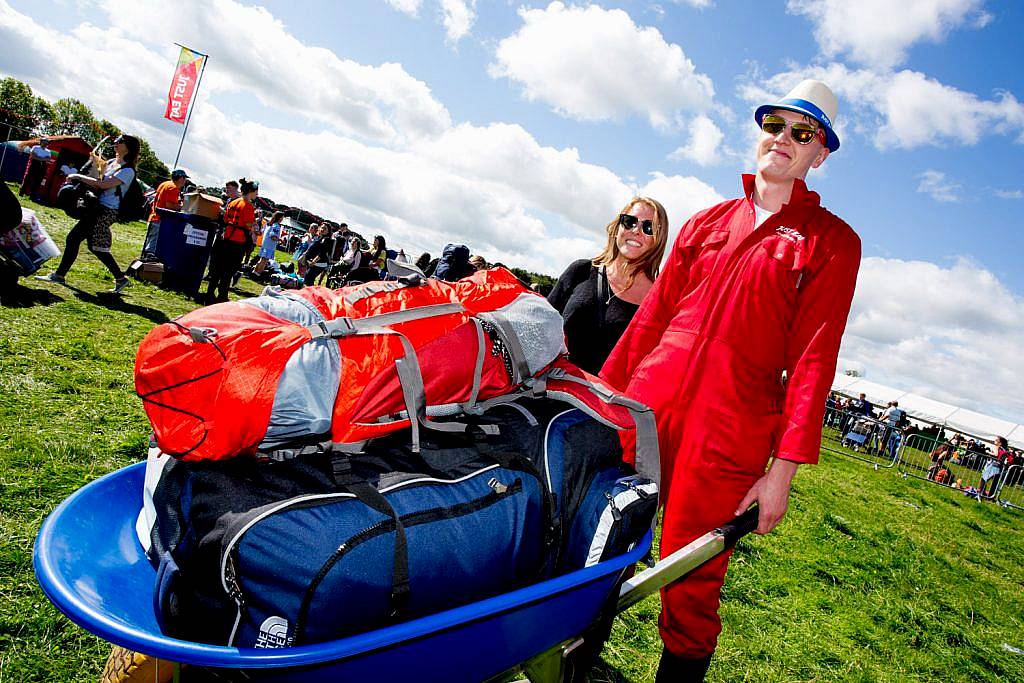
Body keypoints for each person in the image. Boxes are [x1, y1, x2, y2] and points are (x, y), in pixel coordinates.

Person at [600, 80, 860, 680]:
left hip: (729, 433)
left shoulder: (834, 244)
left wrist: (783, 473)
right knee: (601, 541)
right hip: (644, 409)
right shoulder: (705, 221)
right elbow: (651, 321)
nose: (783, 140)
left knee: (691, 577)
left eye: (803, 133)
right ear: (759, 131)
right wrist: (603, 399)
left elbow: (816, 360)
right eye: (775, 125)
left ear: (820, 155)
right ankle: (575, 659)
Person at [548, 197, 668, 375]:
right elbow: (542, 326)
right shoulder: (580, 270)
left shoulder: (659, 301)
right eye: (630, 221)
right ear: (618, 226)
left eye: (648, 227)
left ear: (658, 239)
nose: (636, 231)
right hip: (548, 391)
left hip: (604, 400)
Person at [35, 135, 141, 294]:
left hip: (105, 210)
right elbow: (97, 178)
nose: (115, 143)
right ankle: (120, 279)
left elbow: (104, 184)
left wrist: (77, 176)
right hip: (96, 206)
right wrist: (93, 165)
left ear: (128, 147)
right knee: (95, 247)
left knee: (74, 238)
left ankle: (59, 275)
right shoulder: (112, 162)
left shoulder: (127, 171)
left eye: (120, 142)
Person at [204, 178, 258, 304]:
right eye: (256, 192)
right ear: (250, 191)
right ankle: (222, 295)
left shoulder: (233, 202)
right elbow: (249, 225)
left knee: (218, 268)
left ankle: (210, 293)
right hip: (237, 241)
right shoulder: (248, 206)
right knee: (229, 270)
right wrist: (253, 226)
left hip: (226, 237)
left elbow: (225, 218)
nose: (257, 195)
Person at [141, 169, 188, 259]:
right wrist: (182, 207)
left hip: (154, 217)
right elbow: (169, 205)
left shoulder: (165, 184)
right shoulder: (173, 188)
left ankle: (143, 265)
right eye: (184, 178)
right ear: (180, 178)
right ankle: (147, 268)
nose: (185, 181)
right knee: (152, 249)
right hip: (160, 220)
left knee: (149, 244)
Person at [20, 136, 51, 201]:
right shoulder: (35, 147)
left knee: (38, 181)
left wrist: (39, 158)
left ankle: (32, 196)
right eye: (44, 142)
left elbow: (48, 159)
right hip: (34, 164)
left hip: (42, 166)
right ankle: (21, 193)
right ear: (41, 142)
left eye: (46, 142)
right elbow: (32, 155)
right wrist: (42, 159)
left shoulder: (48, 151)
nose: (45, 144)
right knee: (28, 179)